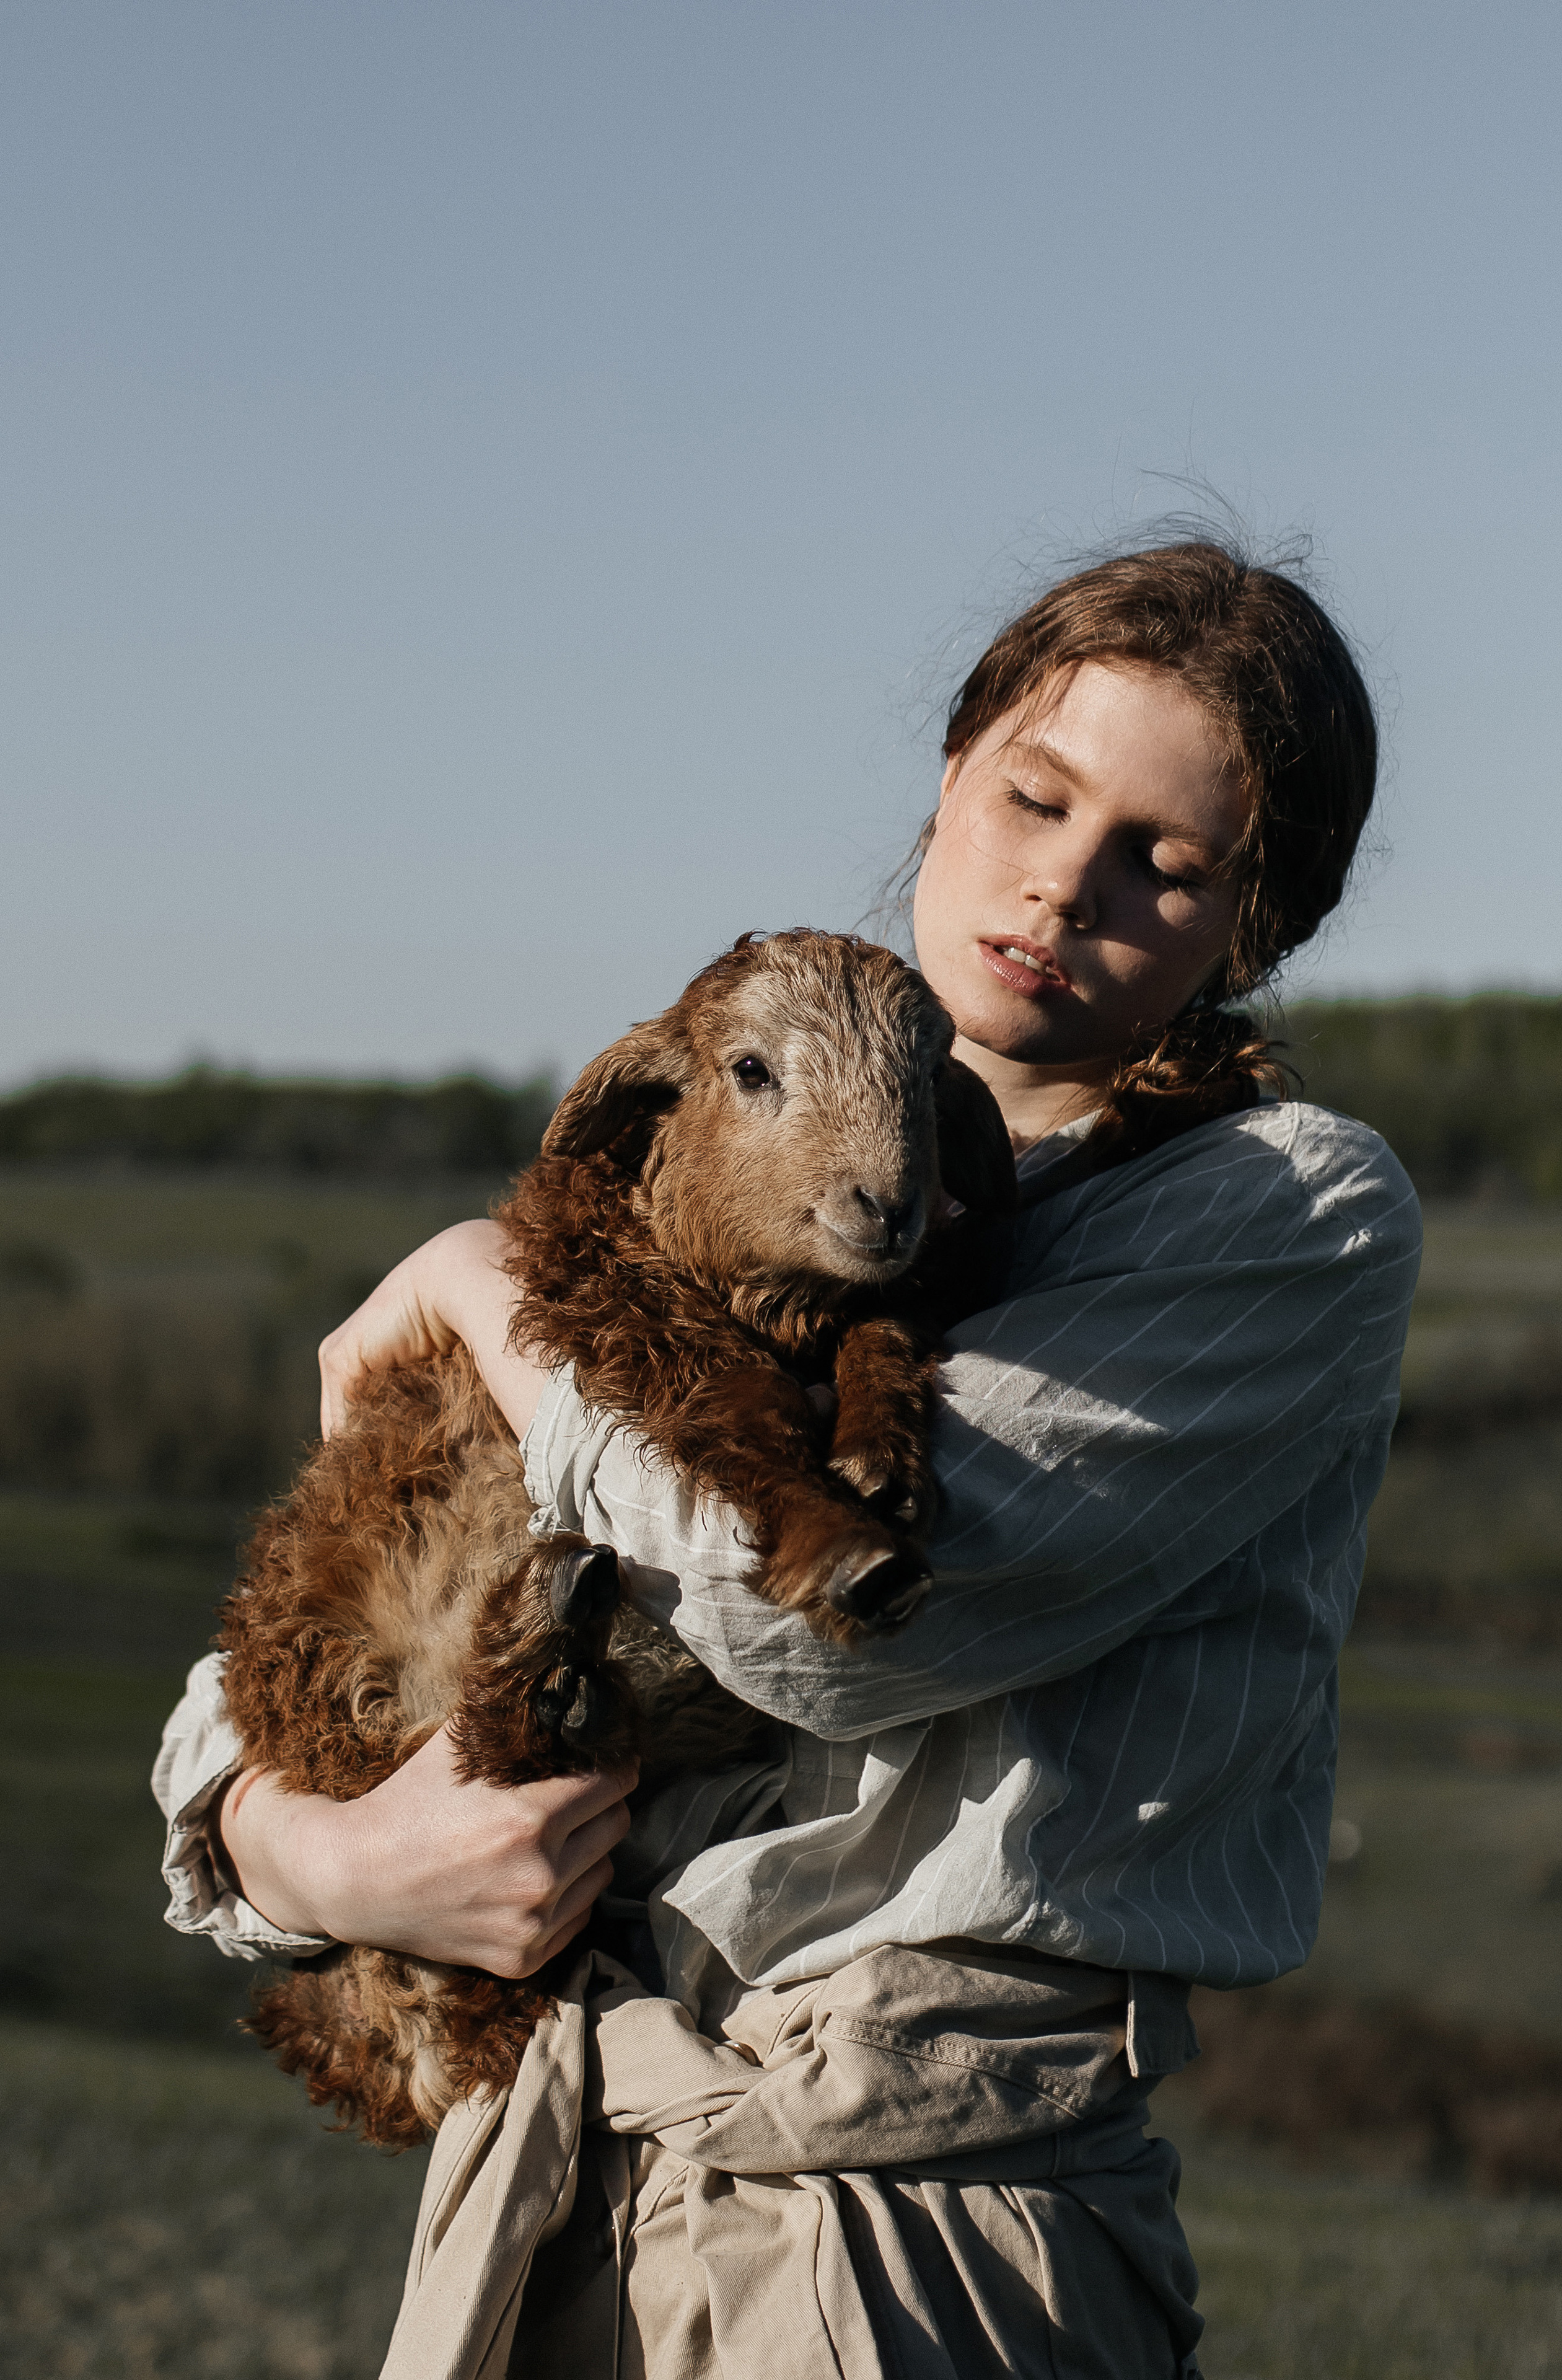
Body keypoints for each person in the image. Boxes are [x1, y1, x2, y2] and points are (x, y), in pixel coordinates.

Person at [155, 537, 1421, 2378]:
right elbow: (319, 1629)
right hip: (546, 2179)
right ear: (949, 780)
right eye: (1035, 796)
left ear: (1256, 926)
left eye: (1166, 864)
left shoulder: (1278, 1214)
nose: (1062, 887)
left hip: (904, 2240)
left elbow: (832, 1625)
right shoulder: (723, 1143)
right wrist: (313, 1856)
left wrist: (486, 1293)